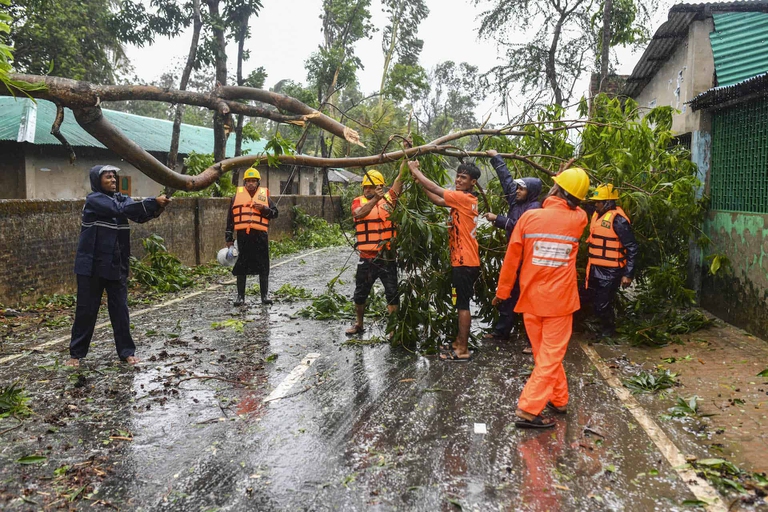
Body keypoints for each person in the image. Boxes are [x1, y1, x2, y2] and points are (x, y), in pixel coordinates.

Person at [492, 167, 590, 428]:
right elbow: (573, 209)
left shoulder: (528, 219)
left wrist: (502, 292)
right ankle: (528, 409)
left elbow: (511, 259)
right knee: (549, 357)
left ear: (556, 190)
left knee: (544, 356)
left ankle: (559, 399)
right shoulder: (579, 219)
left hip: (531, 299)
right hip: (560, 302)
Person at [68, 165, 171, 367]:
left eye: (115, 177)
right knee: (86, 311)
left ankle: (126, 352)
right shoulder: (94, 200)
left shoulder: (121, 199)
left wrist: (158, 207)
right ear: (98, 181)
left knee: (120, 310)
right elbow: (119, 210)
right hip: (92, 266)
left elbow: (138, 215)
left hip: (115, 264)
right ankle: (76, 354)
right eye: (108, 177)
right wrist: (152, 201)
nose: (113, 180)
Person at [408, 159, 481, 362]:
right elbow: (437, 200)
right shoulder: (463, 199)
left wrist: (416, 170)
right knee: (461, 303)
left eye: (463, 178)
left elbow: (436, 188)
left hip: (465, 262)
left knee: (463, 305)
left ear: (473, 182)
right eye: (457, 176)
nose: (458, 180)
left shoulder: (464, 198)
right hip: (464, 261)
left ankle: (463, 350)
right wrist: (419, 183)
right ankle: (459, 342)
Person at [483, 149, 542, 352]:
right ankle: (501, 332)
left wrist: (498, 219)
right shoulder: (516, 200)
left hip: (528, 260)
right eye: (518, 189)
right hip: (514, 256)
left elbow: (520, 227)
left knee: (528, 299)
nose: (517, 191)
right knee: (507, 294)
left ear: (531, 192)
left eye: (522, 189)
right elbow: (506, 180)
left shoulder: (534, 209)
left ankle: (531, 341)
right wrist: (495, 157)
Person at [346, 166, 406, 335]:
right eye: (365, 187)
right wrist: (374, 200)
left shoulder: (390, 199)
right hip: (367, 258)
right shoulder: (358, 201)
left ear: (380, 186)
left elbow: (400, 178)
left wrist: (406, 153)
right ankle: (359, 324)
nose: (367, 189)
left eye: (371, 187)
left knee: (392, 293)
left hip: (387, 257)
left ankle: (393, 329)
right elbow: (359, 214)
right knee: (360, 294)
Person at [585, 184, 638, 339]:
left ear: (608, 202)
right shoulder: (597, 213)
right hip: (595, 267)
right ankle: (601, 326)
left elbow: (632, 247)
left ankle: (607, 331)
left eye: (598, 202)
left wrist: (628, 274)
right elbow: (584, 206)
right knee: (594, 300)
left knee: (602, 304)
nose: (595, 204)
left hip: (611, 270)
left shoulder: (619, 221)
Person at [226, 167, 278, 306]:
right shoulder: (236, 198)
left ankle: (264, 296)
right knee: (241, 266)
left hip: (260, 237)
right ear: (244, 183)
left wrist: (264, 209)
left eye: (253, 181)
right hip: (243, 237)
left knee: (263, 266)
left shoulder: (265, 197)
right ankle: (240, 297)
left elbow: (275, 213)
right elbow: (230, 220)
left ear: (258, 183)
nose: (250, 184)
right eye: (248, 181)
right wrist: (229, 240)